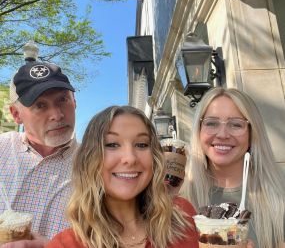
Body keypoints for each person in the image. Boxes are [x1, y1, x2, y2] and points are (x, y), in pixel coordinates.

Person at [45, 105, 199, 248]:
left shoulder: (184, 216)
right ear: (88, 159)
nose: (130, 158)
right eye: (112, 144)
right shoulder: (65, 244)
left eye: (141, 144)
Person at [181, 87, 285, 248]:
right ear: (199, 131)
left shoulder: (279, 196)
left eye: (236, 125)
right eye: (212, 123)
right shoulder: (179, 200)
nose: (222, 134)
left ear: (252, 133)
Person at [0, 55, 78, 248]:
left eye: (63, 100)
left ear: (74, 102)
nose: (57, 115)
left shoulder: (98, 163)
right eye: (40, 105)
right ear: (16, 114)